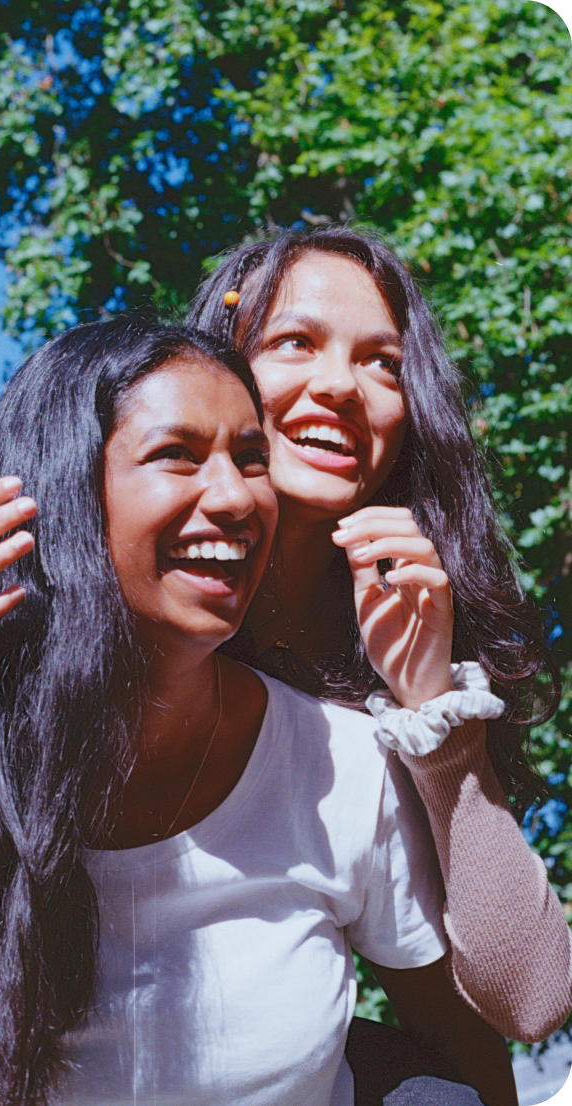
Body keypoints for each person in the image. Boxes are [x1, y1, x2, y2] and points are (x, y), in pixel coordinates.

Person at [0, 319, 514, 1106]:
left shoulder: (346, 763)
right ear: (62, 496)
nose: (235, 497)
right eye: (176, 455)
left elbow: (483, 1036)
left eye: (252, 458)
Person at [186, 225, 572, 1048]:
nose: (343, 386)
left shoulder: (416, 631)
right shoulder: (120, 592)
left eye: (382, 362)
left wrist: (436, 715)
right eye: (295, 341)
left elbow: (527, 1004)